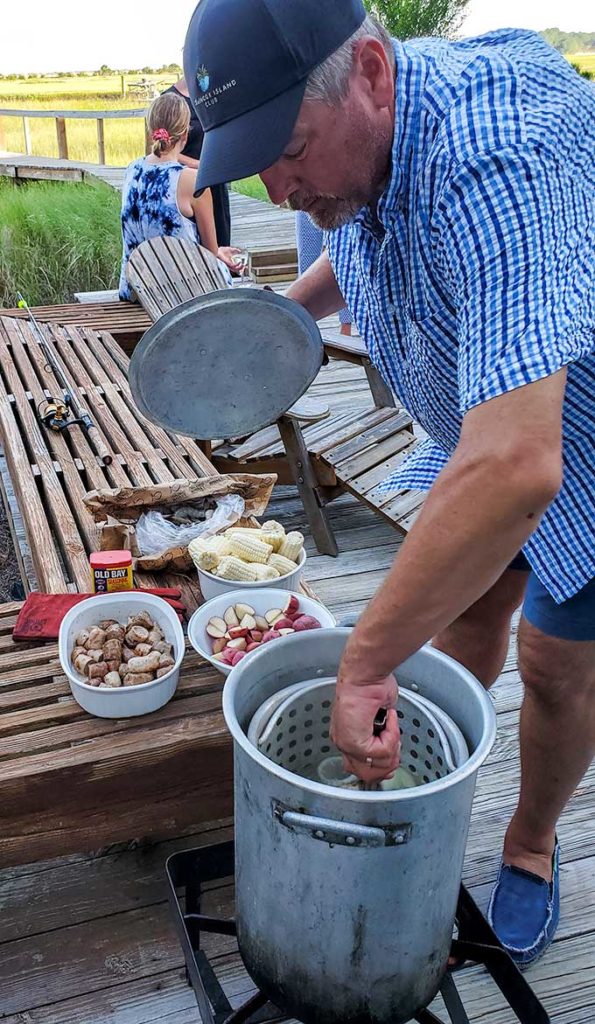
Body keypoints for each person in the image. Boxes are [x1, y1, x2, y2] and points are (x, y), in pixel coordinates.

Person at [184, 0, 595, 965]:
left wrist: (360, 662)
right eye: (254, 166)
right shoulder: (364, 140)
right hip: (483, 428)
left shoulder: (499, 158)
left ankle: (530, 846)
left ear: (371, 70)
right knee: (460, 623)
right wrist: (281, 316)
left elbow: (520, 464)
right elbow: (360, 238)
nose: (281, 192)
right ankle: (424, 785)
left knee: (554, 661)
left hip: (567, 439)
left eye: (287, 150)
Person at [118, 92, 239, 300]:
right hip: (180, 293)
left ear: (150, 131)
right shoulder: (192, 181)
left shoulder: (132, 170)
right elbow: (209, 254)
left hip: (135, 290)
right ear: (185, 134)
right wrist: (219, 252)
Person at [161, 75, 232, 246]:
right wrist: (197, 165)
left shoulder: (214, 94)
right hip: (184, 186)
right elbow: (161, 149)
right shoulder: (170, 100)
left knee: (221, 242)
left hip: (215, 182)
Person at [295, 211, 353, 335]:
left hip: (337, 200)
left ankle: (346, 328)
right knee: (306, 259)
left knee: (342, 259)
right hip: (304, 200)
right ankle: (302, 327)